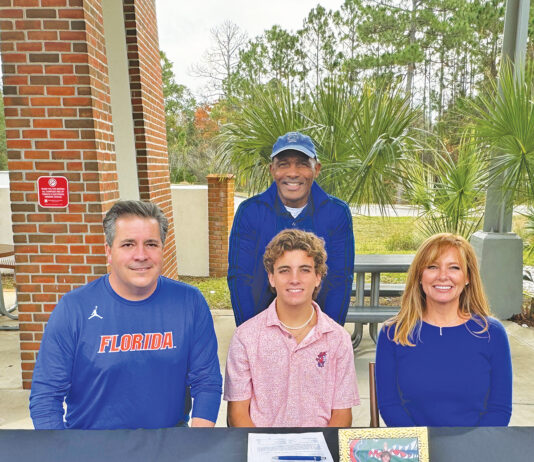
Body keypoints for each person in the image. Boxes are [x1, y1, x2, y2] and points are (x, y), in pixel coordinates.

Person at [29, 200, 222, 429]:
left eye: (151, 244)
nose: (141, 255)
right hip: (92, 448)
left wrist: (196, 445)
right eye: (128, 244)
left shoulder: (189, 302)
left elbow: (207, 381)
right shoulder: (74, 309)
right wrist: (63, 451)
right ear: (109, 252)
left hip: (168, 446)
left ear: (162, 249)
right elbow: (46, 396)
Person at [224, 229, 360, 427]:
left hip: (319, 451)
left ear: (318, 277)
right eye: (284, 270)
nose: (294, 279)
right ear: (271, 277)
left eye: (305, 270)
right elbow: (237, 415)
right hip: (261, 450)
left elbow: (342, 415)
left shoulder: (338, 338)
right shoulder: (246, 337)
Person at [375, 233, 512, 427]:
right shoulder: (393, 333)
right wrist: (421, 448)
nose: (442, 276)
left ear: (467, 277)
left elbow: (499, 409)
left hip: (476, 450)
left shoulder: (492, 333)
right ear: (419, 276)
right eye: (432, 266)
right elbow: (390, 405)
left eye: (454, 267)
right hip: (416, 450)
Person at [228, 131, 355, 326]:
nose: (293, 173)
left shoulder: (336, 213)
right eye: (284, 164)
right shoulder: (250, 212)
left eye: (303, 164)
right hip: (261, 328)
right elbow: (240, 279)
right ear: (272, 170)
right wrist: (252, 334)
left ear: (317, 169)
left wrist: (327, 335)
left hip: (316, 329)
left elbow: (340, 280)